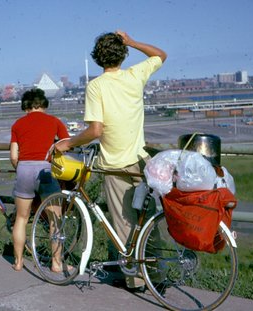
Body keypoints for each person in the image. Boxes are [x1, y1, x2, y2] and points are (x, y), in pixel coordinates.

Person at [55, 30, 167, 290]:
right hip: (141, 161)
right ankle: (157, 275)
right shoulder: (134, 75)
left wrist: (68, 142)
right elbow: (161, 55)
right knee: (147, 220)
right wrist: (133, 42)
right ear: (123, 54)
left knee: (124, 222)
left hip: (115, 165)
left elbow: (96, 131)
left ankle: (136, 280)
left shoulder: (96, 86)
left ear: (97, 58)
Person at [10, 88, 69, 271]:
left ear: (26, 106)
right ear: (43, 104)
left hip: (24, 169)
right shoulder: (54, 121)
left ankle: (18, 262)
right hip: (45, 169)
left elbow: (14, 156)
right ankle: (56, 263)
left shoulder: (18, 125)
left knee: (21, 218)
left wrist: (21, 170)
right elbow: (65, 145)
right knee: (55, 219)